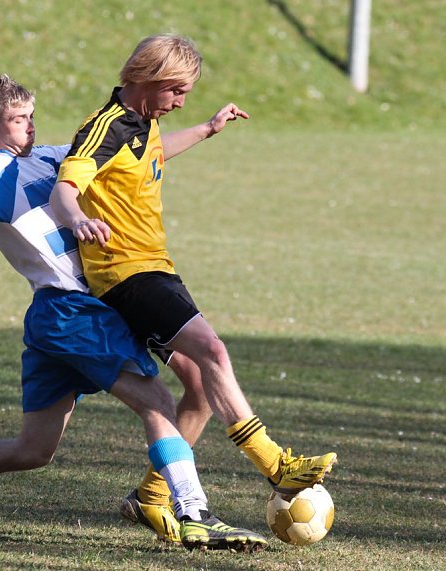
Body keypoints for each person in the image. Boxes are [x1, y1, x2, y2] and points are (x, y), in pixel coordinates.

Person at [0, 74, 267, 552]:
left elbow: (135, 153)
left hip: (72, 313)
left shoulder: (50, 157)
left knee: (33, 450)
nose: (29, 126)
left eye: (31, 116)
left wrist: (206, 129)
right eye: (17, 120)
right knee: (157, 403)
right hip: (71, 311)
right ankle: (194, 512)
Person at [50, 34, 338, 539]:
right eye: (177, 90)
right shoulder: (106, 127)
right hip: (126, 274)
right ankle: (275, 464)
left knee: (202, 388)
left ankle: (151, 496)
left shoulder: (143, 122)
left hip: (153, 268)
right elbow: (65, 187)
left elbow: (154, 152)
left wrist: (207, 129)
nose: (181, 101)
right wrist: (77, 219)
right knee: (213, 350)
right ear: (150, 79)